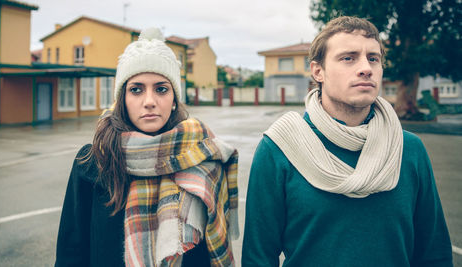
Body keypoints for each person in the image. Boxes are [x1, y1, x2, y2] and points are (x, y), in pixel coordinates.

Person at [242, 16, 453, 266]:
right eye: (348, 58)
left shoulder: (408, 149)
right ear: (318, 71)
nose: (366, 68)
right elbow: (258, 257)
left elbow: (434, 253)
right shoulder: (279, 148)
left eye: (373, 58)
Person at [55, 27, 239, 267]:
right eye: (136, 89)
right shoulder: (93, 161)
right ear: (122, 98)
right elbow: (72, 252)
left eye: (161, 89)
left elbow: (210, 255)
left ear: (174, 99)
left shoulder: (204, 160)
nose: (149, 101)